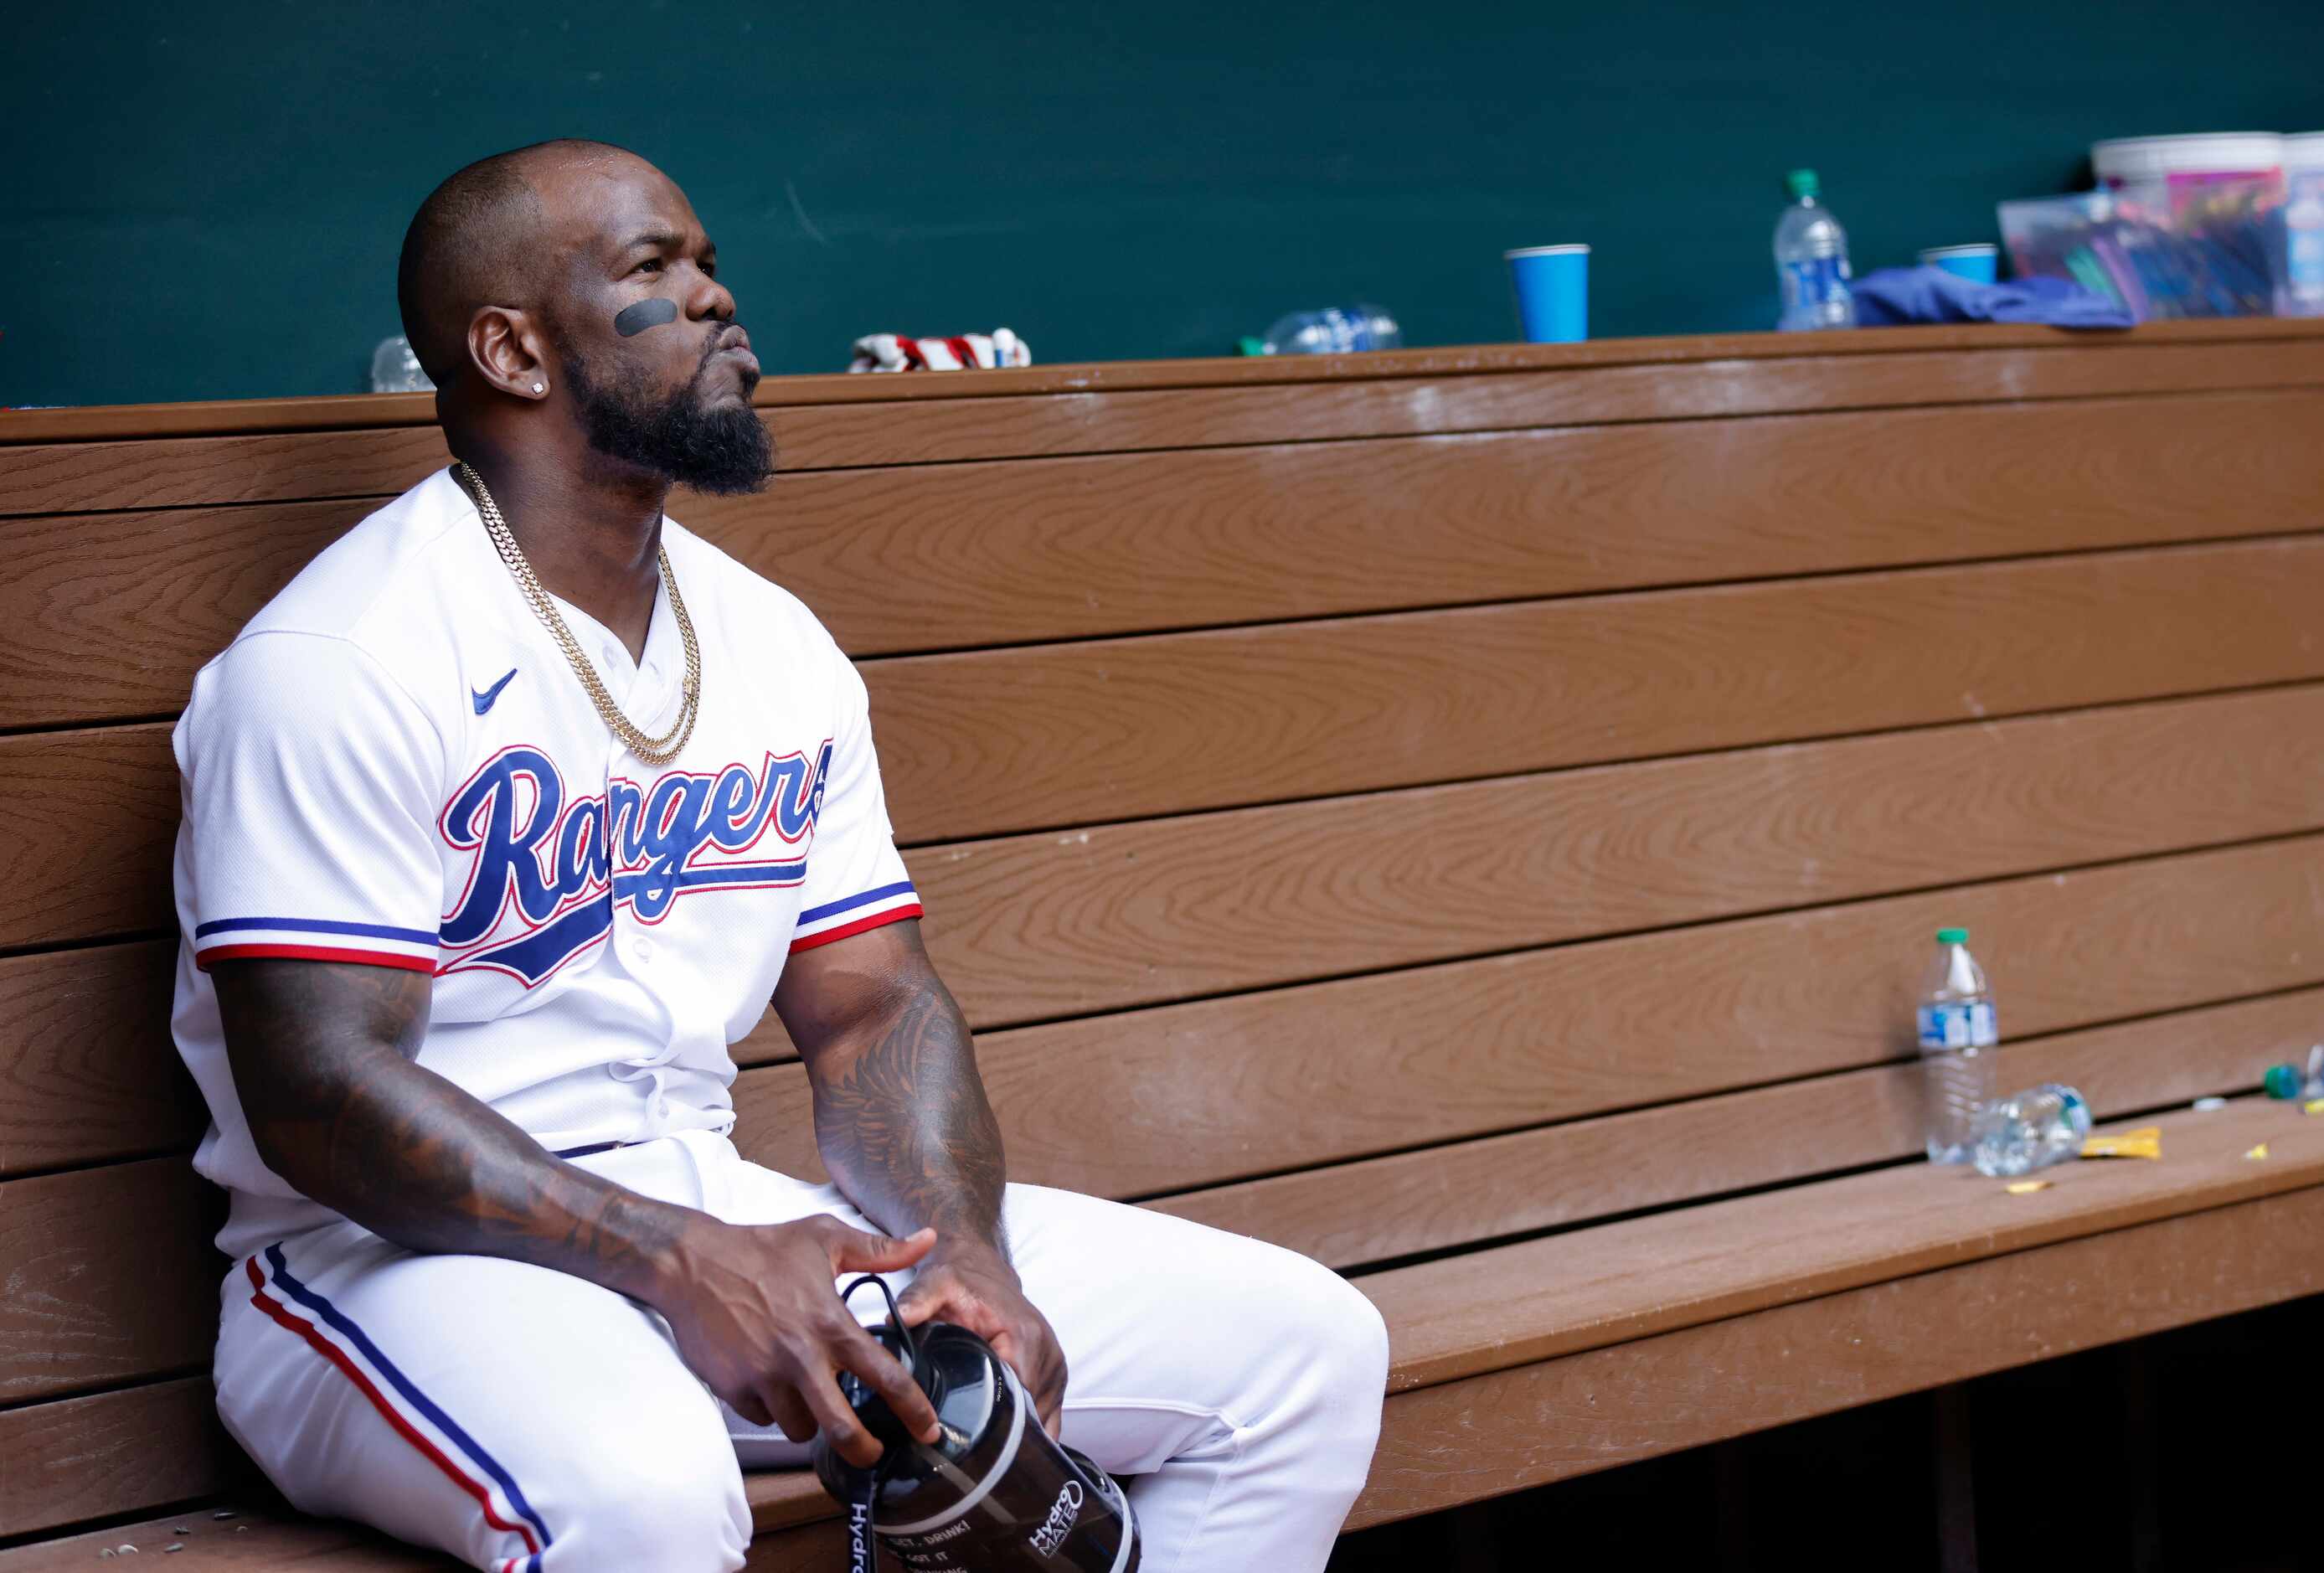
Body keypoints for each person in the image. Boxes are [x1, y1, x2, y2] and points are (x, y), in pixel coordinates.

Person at [170, 139, 1388, 1572]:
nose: (717, 297)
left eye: (704, 260)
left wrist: (963, 1256)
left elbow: (873, 1005)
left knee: (1302, 1355)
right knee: (645, 1497)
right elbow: (322, 1097)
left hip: (712, 1207)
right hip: (389, 1271)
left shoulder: (769, 643)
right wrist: (682, 1259)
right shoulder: (342, 658)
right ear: (509, 349)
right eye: (653, 270)